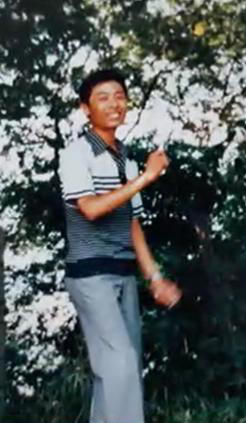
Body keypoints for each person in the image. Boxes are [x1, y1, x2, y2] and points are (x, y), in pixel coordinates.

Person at [58, 68, 182, 423]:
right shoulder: (76, 154)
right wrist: (146, 177)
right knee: (120, 366)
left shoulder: (125, 161)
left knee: (118, 372)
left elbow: (132, 224)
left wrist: (154, 277)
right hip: (90, 274)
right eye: (103, 98)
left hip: (123, 274)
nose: (114, 104)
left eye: (120, 96)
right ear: (85, 108)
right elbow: (91, 209)